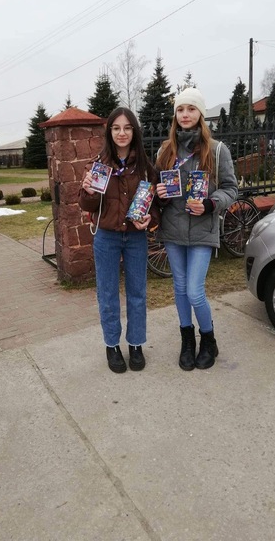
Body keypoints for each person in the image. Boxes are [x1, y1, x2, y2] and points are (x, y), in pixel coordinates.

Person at [155, 87, 238, 371]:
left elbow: (231, 189)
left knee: (194, 291)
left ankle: (209, 339)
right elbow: (157, 189)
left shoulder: (216, 150)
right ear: (175, 115)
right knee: (179, 289)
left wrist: (211, 204)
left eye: (191, 109)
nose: (185, 114)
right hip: (173, 229)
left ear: (200, 114)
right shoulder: (165, 150)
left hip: (203, 229)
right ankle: (187, 340)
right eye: (180, 109)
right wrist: (159, 193)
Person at [79, 107, 159, 374]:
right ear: (109, 132)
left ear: (134, 131)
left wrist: (150, 218)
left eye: (127, 128)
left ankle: (135, 344)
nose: (121, 133)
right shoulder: (98, 166)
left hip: (135, 237)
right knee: (108, 293)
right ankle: (112, 345)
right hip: (107, 237)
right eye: (116, 128)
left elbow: (154, 204)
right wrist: (88, 191)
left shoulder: (145, 167)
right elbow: (87, 205)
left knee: (137, 293)